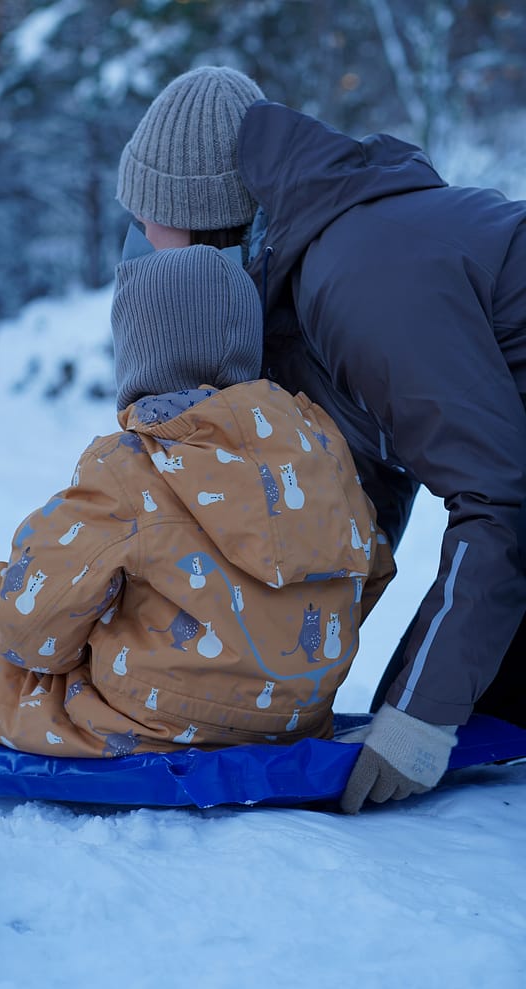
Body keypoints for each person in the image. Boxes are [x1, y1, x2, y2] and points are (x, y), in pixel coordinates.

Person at [114, 65, 526, 811]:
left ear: (202, 218)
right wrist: (259, 670)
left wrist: (417, 721)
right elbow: (352, 513)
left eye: (146, 220)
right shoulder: (307, 287)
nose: (138, 242)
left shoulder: (367, 271)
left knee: (454, 705)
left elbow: (500, 499)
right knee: (492, 700)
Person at [0, 244, 394, 759]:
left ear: (141, 356)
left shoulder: (133, 466)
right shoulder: (320, 450)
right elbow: (372, 568)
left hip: (157, 722)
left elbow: (26, 628)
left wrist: (81, 647)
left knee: (1, 676)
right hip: (296, 716)